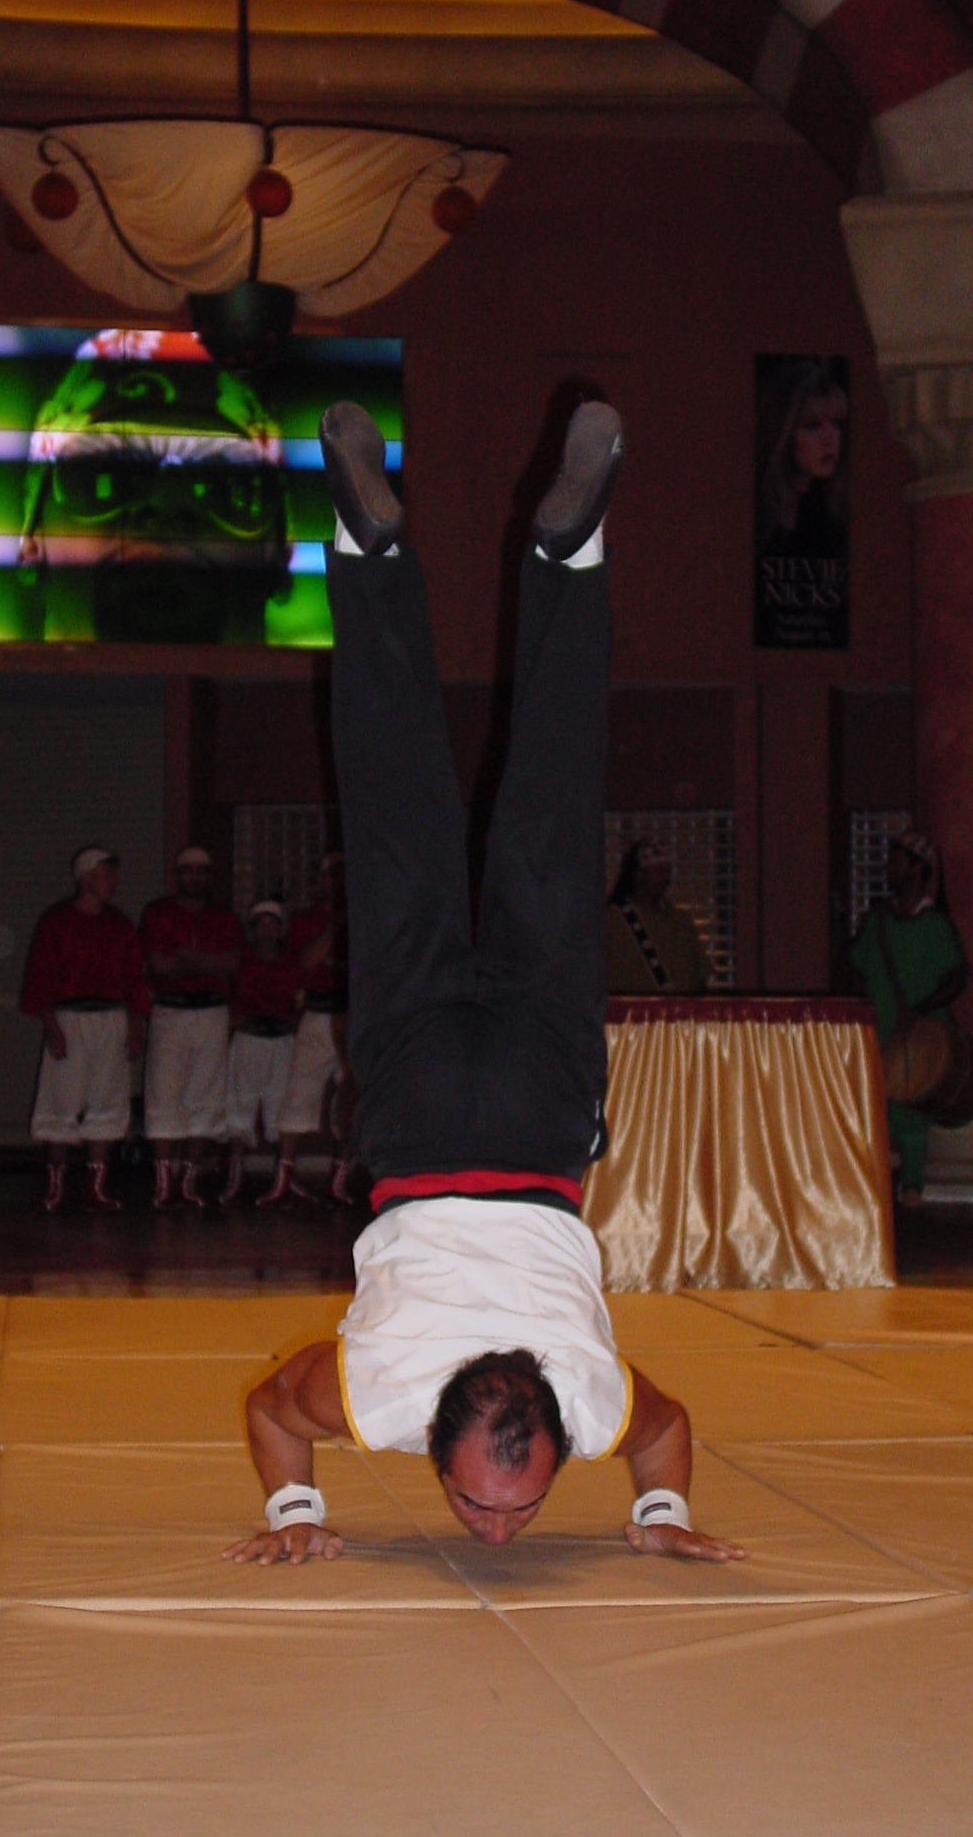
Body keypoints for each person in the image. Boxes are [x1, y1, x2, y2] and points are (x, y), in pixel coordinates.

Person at [224, 400, 745, 1567]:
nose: (500, 1526)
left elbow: (667, 1430)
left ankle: (573, 553)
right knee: (396, 819)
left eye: (483, 1507)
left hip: (539, 1107)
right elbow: (270, 1411)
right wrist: (294, 1506)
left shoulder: (594, 1398)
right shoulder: (376, 1390)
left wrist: (661, 1506)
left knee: (553, 810)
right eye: (513, 1505)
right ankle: (368, 552)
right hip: (416, 1113)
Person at [20, 846, 150, 1212]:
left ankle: (97, 1187)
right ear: (86, 878)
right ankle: (55, 1185)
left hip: (110, 1018)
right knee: (59, 1101)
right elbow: (41, 976)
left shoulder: (120, 924)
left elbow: (133, 979)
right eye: (107, 874)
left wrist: (135, 1026)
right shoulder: (57, 921)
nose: (114, 882)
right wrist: (52, 1026)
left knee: (107, 1102)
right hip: (70, 1017)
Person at [848, 828, 971, 1208]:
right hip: (877, 1032)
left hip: (917, 1036)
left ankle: (911, 1183)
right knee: (873, 1110)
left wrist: (923, 1008)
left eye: (897, 862)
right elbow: (853, 968)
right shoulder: (876, 923)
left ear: (918, 869)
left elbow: (957, 978)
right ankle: (875, 1183)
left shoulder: (936, 927)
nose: (889, 868)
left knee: (912, 1110)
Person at [138, 845, 241, 1209]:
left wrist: (183, 953)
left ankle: (188, 1180)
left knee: (205, 1095)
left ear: (208, 876)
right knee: (163, 1093)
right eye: (188, 870)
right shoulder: (159, 914)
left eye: (201, 870)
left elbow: (231, 965)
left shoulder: (223, 917)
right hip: (171, 1010)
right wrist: (207, 962)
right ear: (177, 874)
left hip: (212, 1011)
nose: (194, 877)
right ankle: (164, 1181)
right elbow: (159, 966)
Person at [263, 850, 354, 1206]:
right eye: (332, 874)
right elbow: (306, 960)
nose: (338, 881)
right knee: (299, 1094)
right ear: (321, 880)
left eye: (344, 874)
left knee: (351, 1098)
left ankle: (339, 1179)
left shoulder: (368, 915)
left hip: (352, 1013)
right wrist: (336, 924)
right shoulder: (307, 920)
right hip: (317, 1012)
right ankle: (283, 1179)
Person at [221, 898, 301, 1206]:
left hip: (281, 1040)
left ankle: (284, 1178)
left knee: (282, 1109)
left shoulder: (290, 961)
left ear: (281, 929)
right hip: (249, 1039)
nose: (266, 930)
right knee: (238, 1106)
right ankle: (234, 1174)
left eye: (272, 924)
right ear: (252, 930)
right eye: (261, 924)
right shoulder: (240, 959)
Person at [755, 355, 848, 560]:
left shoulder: (834, 521)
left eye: (836, 424)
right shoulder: (759, 521)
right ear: (783, 433)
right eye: (812, 426)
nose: (830, 439)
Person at [605, 837, 711, 994]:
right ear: (639, 875)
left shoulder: (681, 922)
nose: (665, 878)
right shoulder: (613, 922)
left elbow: (701, 981)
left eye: (667, 871)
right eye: (657, 871)